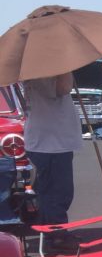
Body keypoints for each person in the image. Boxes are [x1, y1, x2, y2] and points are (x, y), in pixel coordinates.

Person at [23, 72, 81, 248]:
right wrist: (67, 68)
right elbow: (63, 87)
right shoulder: (43, 72)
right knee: (57, 193)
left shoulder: (43, 70)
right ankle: (57, 236)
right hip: (50, 143)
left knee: (52, 191)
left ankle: (53, 233)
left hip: (51, 141)